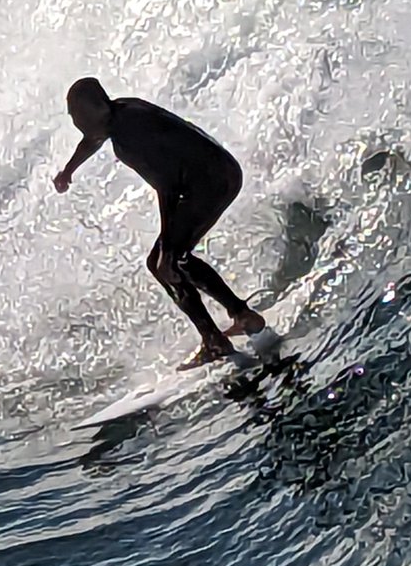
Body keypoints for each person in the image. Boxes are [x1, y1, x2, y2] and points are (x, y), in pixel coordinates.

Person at [53, 77, 266, 368]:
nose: (75, 123)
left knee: (167, 262)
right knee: (169, 261)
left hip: (211, 182)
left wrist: (167, 245)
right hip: (219, 172)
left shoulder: (129, 139)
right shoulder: (122, 110)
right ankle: (241, 317)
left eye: (77, 116)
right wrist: (68, 171)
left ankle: (215, 340)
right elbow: (93, 139)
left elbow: (167, 186)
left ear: (96, 109)